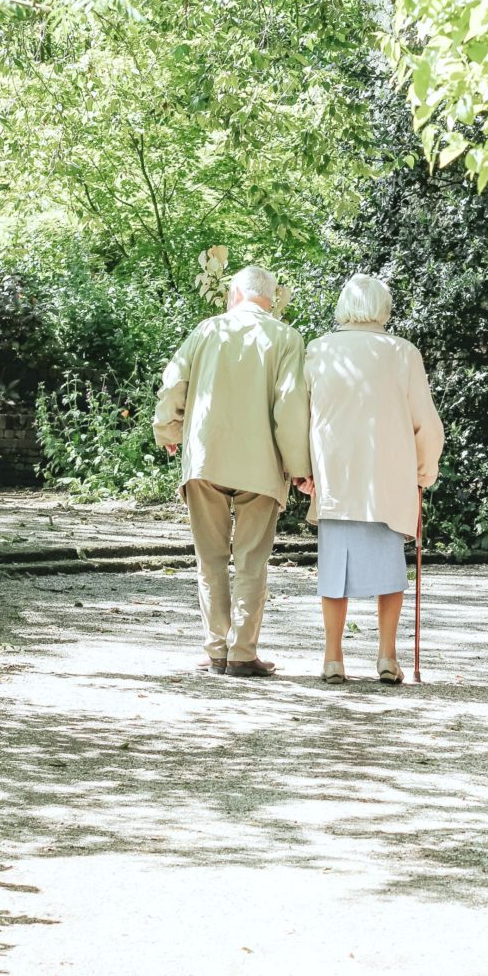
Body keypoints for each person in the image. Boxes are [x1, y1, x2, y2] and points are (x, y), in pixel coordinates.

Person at [153, 264, 311, 678]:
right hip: (261, 465)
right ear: (271, 299)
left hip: (207, 458)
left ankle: (216, 649)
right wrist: (299, 467)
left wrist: (167, 429)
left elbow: (173, 385)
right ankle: (242, 653)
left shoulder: (207, 331)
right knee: (251, 561)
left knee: (210, 558)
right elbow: (291, 407)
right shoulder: (287, 338)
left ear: (235, 294)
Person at [299, 273, 444, 685]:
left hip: (336, 476)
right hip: (388, 478)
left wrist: (302, 470)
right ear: (384, 308)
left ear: (344, 306)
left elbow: (300, 416)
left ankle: (332, 658)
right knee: (389, 571)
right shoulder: (402, 353)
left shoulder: (319, 350)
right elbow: (427, 423)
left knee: (333, 572)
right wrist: (424, 469)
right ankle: (386, 656)